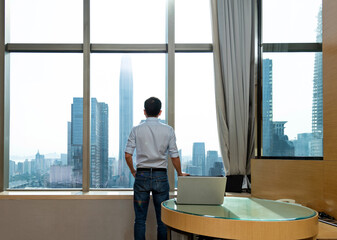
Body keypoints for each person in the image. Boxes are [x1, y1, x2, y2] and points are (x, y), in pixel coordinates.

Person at [125, 97, 189, 240]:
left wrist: (133, 171)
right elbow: (174, 155)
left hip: (141, 176)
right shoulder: (168, 130)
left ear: (144, 112)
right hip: (161, 177)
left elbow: (128, 155)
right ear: (160, 112)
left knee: (140, 220)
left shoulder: (136, 129)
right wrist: (179, 173)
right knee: (162, 220)